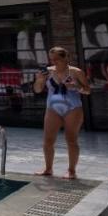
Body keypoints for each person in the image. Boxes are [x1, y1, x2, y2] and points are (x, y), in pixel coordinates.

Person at [33, 46, 91, 178]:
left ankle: (71, 171)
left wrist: (76, 86)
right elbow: (37, 90)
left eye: (57, 59)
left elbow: (88, 90)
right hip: (52, 109)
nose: (53, 62)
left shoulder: (76, 72)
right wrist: (39, 80)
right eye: (51, 59)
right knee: (48, 140)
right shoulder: (47, 72)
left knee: (71, 140)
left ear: (66, 58)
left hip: (72, 109)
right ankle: (48, 169)